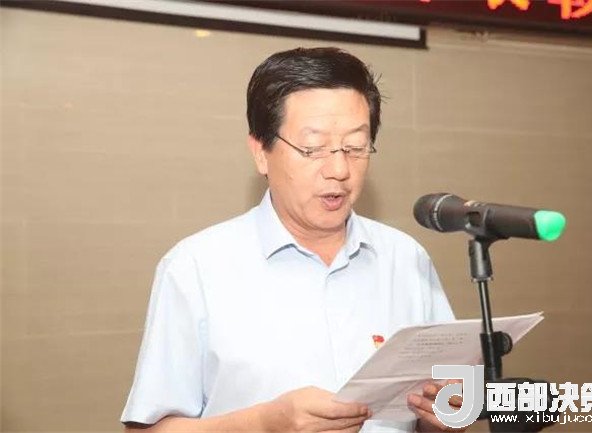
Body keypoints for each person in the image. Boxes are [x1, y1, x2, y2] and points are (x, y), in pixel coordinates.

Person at [121, 47, 462, 433]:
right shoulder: (195, 267)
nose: (339, 169)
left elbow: (445, 407)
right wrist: (265, 424)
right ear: (261, 152)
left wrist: (449, 417)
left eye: (355, 147)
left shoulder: (406, 258)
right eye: (312, 149)